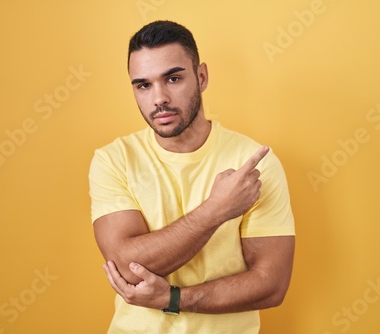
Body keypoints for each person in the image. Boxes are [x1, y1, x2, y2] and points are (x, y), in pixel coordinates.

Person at [89, 20, 295, 333]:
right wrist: (215, 211)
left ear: (201, 77)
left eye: (172, 78)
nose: (159, 98)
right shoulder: (113, 160)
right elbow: (126, 267)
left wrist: (173, 298)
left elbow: (271, 284)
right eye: (143, 85)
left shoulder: (253, 164)